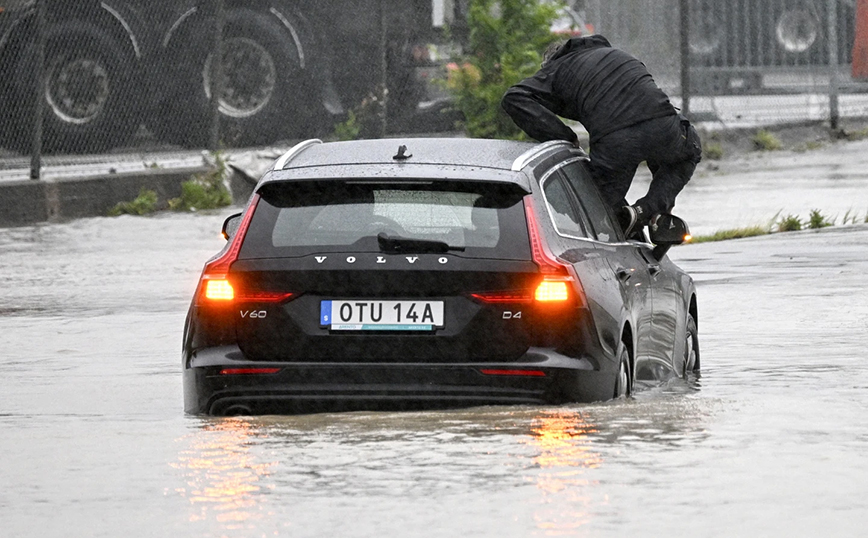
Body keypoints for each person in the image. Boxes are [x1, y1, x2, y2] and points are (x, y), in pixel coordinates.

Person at [501, 35, 702, 237]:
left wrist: (563, 137)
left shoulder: (557, 69)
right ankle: (644, 212)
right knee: (687, 153)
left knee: (597, 210)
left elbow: (514, 97)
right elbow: (642, 108)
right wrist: (660, 198)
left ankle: (618, 231)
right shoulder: (619, 55)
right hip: (662, 125)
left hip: (615, 141)